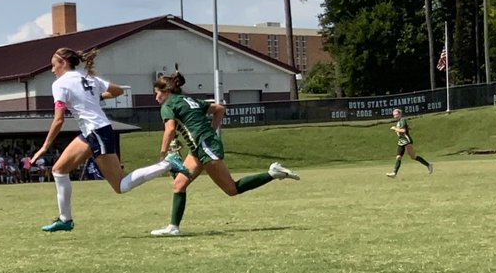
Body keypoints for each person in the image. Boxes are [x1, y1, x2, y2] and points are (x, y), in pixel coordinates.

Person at [30, 46, 192, 232]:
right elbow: (117, 91)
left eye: (53, 66)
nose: (52, 70)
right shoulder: (88, 77)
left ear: (63, 63)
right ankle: (65, 219)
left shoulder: (59, 84)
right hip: (94, 131)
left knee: (121, 186)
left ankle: (168, 163)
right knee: (59, 170)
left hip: (96, 132)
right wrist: (95, 97)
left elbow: (59, 119)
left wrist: (44, 146)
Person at [148, 71, 299, 236]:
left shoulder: (168, 105)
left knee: (231, 189)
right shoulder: (189, 100)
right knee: (179, 184)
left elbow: (169, 129)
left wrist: (162, 154)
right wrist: (211, 131)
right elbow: (219, 109)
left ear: (166, 91)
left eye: (157, 94)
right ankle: (173, 227)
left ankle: (273, 173)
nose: (156, 98)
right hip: (200, 147)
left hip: (204, 146)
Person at [386, 108, 433, 177]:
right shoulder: (399, 121)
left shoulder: (402, 120)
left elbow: (403, 130)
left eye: (396, 114)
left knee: (413, 156)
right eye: (393, 115)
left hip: (407, 141)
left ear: (400, 114)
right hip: (401, 142)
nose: (394, 116)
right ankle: (394, 173)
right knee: (398, 157)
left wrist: (395, 128)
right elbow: (406, 128)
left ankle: (428, 165)